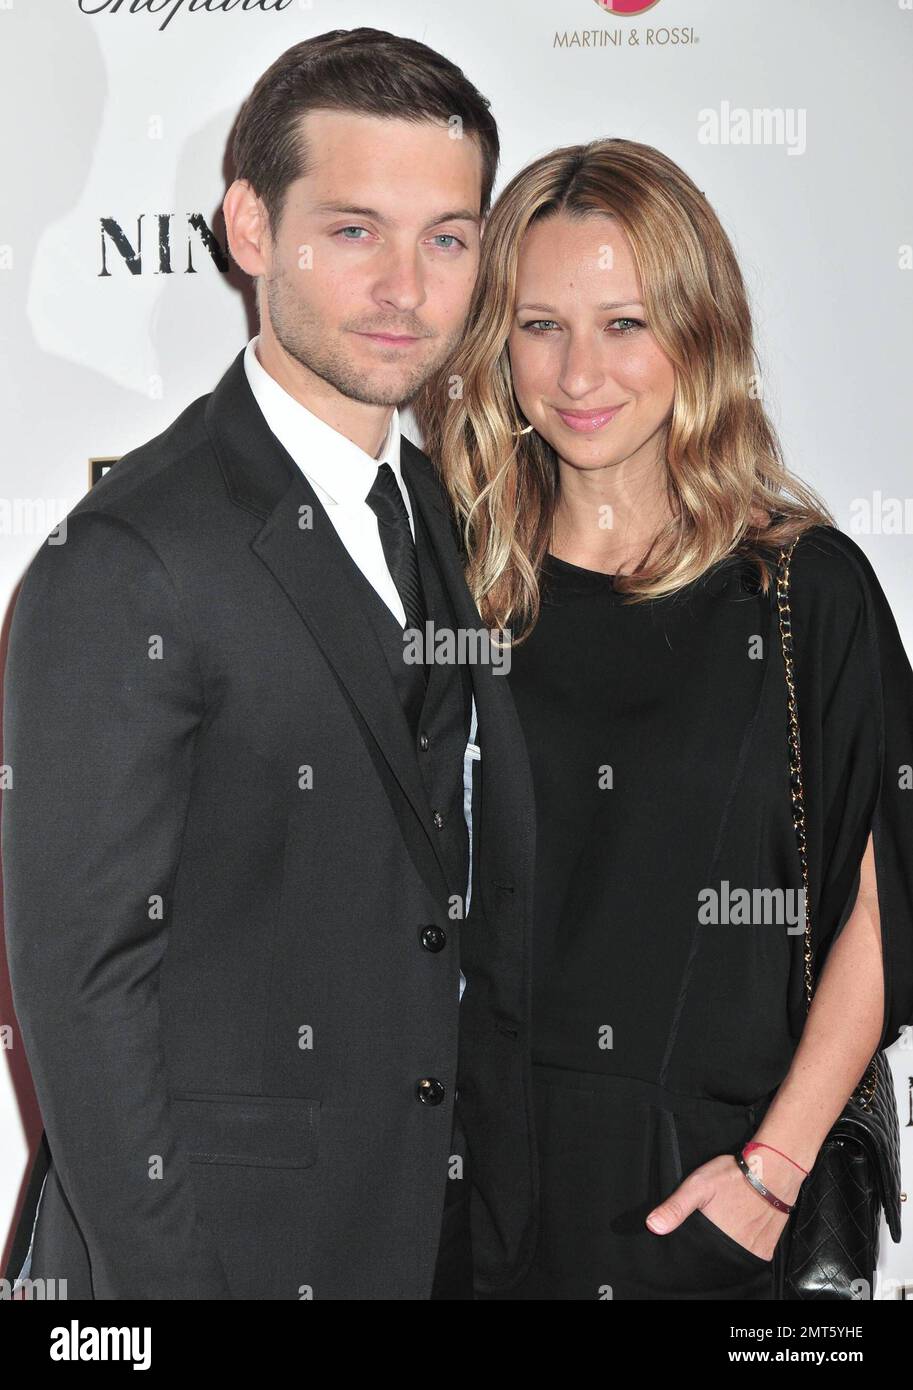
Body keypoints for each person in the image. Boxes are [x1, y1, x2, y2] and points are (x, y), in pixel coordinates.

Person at [2, 28, 538, 1301]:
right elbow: (80, 988)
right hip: (210, 1259)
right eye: (354, 230)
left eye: (447, 237)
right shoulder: (130, 554)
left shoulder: (443, 510)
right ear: (250, 227)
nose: (408, 285)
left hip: (426, 1235)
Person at [417, 137, 913, 1299]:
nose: (578, 371)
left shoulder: (799, 588)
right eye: (541, 325)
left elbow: (889, 904)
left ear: (697, 333)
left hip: (705, 1196)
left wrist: (771, 1170)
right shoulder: (453, 585)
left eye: (624, 323)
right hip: (468, 1195)